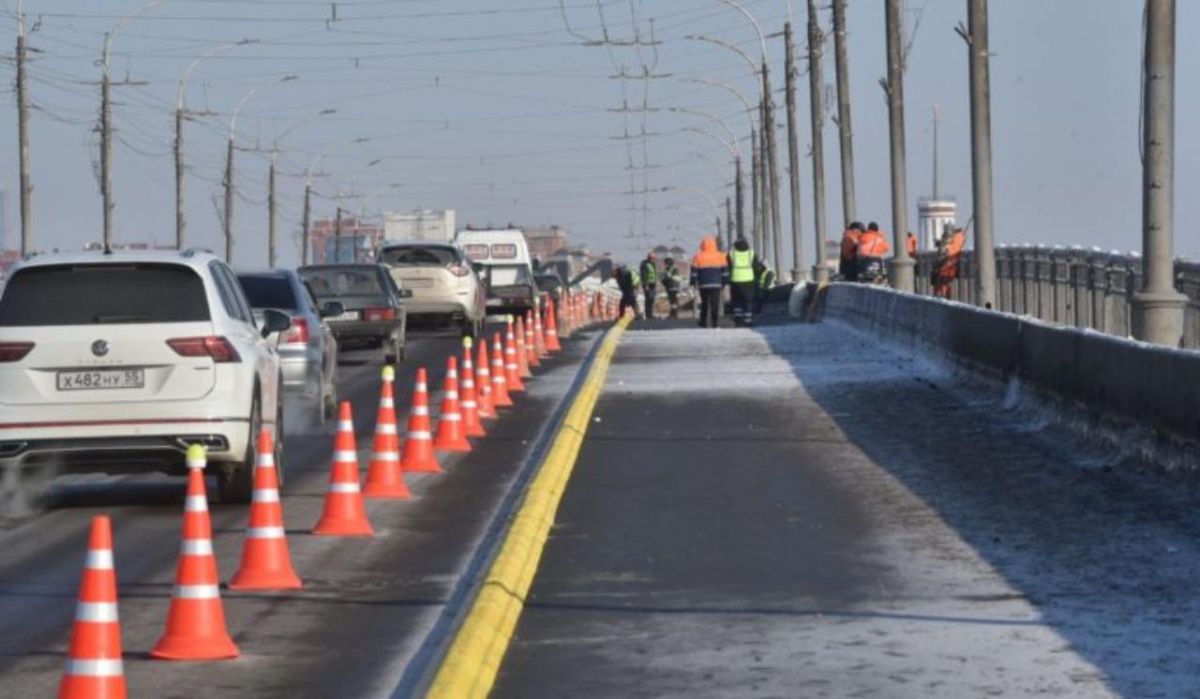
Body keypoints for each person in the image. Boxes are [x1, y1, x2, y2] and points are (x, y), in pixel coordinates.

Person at [690, 236, 729, 329]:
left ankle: (703, 322)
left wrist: (693, 282)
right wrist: (725, 283)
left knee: (704, 303)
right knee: (715, 303)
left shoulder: (698, 256)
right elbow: (725, 272)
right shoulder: (721, 256)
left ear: (703, 245)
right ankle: (714, 323)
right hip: (716, 284)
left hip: (703, 284)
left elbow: (694, 272)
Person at [726, 237, 760, 326]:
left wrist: (728, 279)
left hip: (735, 280)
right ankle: (748, 320)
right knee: (748, 301)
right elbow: (756, 268)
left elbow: (728, 267)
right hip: (749, 280)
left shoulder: (731, 254)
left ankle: (738, 320)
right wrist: (757, 280)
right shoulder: (751, 253)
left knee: (737, 301)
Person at [932, 226, 966, 298]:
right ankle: (945, 296)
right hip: (949, 266)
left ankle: (941, 296)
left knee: (942, 282)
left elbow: (946, 250)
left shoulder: (954, 240)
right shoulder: (959, 238)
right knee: (944, 282)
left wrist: (941, 244)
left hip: (947, 265)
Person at [639, 253, 659, 320]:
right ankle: (648, 315)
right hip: (647, 284)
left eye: (654, 258)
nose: (654, 259)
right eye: (653, 258)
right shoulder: (645, 265)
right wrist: (646, 285)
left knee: (651, 299)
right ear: (649, 258)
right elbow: (644, 275)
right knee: (648, 299)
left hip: (653, 284)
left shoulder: (652, 264)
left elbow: (654, 274)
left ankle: (650, 314)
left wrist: (656, 283)